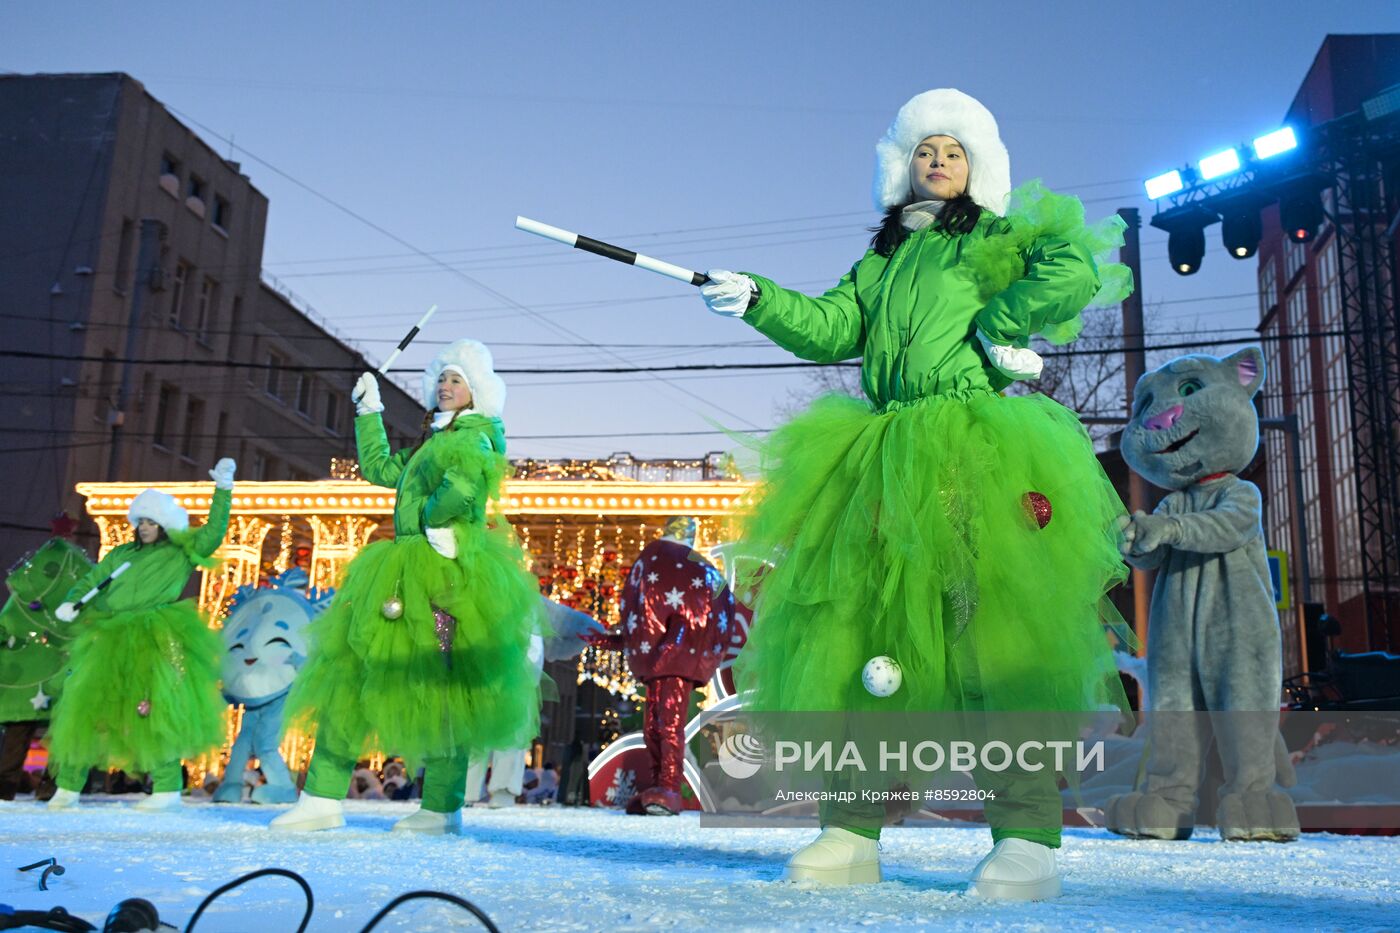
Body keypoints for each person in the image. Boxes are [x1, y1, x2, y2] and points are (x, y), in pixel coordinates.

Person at [699, 89, 1132, 899]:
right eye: (925, 150)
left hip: (969, 450)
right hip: (882, 457)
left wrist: (1003, 322)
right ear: (901, 166)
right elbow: (831, 326)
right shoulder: (879, 261)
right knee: (867, 642)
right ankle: (850, 831)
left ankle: (1026, 836)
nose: (938, 160)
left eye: (953, 151)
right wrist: (757, 297)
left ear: (977, 168)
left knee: (987, 641)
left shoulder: (994, 237)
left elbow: (1072, 267)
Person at [273, 340, 541, 835]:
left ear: (477, 391)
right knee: (350, 673)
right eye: (441, 378)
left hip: (442, 574)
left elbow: (465, 485)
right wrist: (369, 411)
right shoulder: (430, 441)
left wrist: (433, 522)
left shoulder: (476, 436)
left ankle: (440, 807)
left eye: (456, 379)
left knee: (440, 691)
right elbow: (380, 469)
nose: (445, 386)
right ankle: (321, 797)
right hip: (398, 571)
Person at [45, 460, 237, 812]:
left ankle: (166, 789)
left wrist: (223, 490)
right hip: (110, 636)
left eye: (151, 521)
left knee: (155, 709)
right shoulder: (121, 554)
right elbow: (92, 580)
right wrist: (73, 601)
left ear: (165, 525)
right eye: (141, 521)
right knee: (86, 704)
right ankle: (67, 787)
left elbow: (213, 532)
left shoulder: (179, 552)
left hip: (155, 635)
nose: (145, 527)